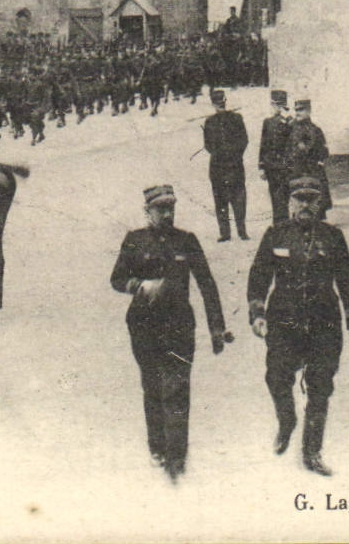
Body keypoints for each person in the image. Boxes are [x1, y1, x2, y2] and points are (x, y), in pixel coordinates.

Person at [110, 184, 231, 482]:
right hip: (143, 325)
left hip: (179, 326)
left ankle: (177, 456)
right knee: (152, 387)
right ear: (147, 211)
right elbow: (116, 278)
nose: (167, 214)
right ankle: (158, 447)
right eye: (160, 209)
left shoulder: (186, 241)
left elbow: (207, 284)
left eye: (171, 208)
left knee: (177, 388)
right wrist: (138, 285)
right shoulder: (134, 240)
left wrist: (217, 328)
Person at [247, 178, 349, 476]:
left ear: (320, 203)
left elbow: (347, 280)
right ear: (289, 203)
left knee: (321, 386)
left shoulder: (333, 236)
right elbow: (259, 277)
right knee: (276, 377)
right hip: (284, 321)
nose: (305, 206)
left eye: (312, 200)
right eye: (299, 199)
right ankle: (287, 421)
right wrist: (258, 314)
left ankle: (312, 452)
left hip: (324, 322)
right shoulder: (276, 235)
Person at [202, 89, 250, 241]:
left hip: (234, 165)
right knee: (220, 200)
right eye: (218, 104)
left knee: (239, 199)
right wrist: (222, 154)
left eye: (222, 103)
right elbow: (208, 145)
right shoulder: (209, 123)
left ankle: (241, 231)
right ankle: (225, 233)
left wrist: (233, 154)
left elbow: (244, 140)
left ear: (225, 102)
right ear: (213, 104)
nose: (220, 106)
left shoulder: (236, 118)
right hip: (218, 168)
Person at [258, 90, 294, 224]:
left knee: (283, 199)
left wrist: (288, 119)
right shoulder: (267, 122)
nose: (272, 108)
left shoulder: (290, 122)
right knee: (276, 199)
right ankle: (279, 227)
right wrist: (261, 166)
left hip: (285, 167)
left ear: (277, 105)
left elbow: (293, 142)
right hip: (271, 167)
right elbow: (263, 145)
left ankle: (282, 227)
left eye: (273, 105)